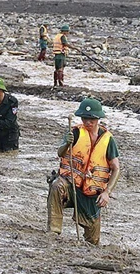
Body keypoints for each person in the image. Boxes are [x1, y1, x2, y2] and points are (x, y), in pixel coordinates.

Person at [49, 98, 120, 246]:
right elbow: (60, 153)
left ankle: (90, 243)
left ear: (98, 119)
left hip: (91, 192)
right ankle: (53, 232)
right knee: (56, 185)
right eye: (85, 118)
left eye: (92, 119)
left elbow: (116, 168)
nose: (88, 122)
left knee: (93, 241)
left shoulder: (108, 140)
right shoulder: (74, 133)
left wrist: (107, 192)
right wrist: (66, 143)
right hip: (71, 185)